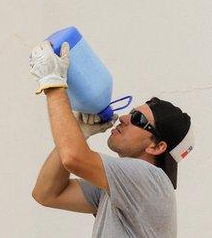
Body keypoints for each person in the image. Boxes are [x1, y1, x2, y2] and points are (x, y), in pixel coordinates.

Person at [28, 41, 194, 237]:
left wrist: (53, 84)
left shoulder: (151, 179)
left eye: (137, 119)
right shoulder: (121, 187)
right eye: (131, 113)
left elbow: (73, 157)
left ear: (157, 147)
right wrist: (80, 132)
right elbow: (46, 193)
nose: (124, 118)